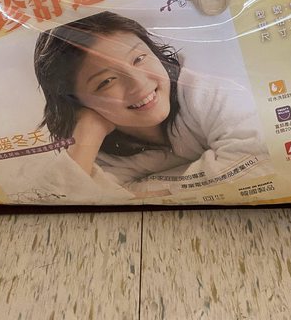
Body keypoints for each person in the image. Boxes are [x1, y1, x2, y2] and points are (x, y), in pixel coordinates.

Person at [33, 11, 271, 203]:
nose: (139, 84)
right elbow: (61, 198)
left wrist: (150, 191)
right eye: (106, 81)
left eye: (139, 59)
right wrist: (88, 135)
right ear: (75, 102)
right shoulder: (104, 150)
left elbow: (258, 163)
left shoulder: (203, 92)